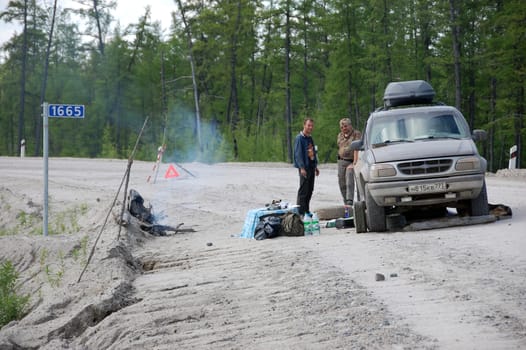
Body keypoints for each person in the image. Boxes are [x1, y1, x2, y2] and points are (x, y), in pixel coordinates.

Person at [293, 117, 320, 216]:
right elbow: (298, 154)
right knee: (303, 190)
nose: (310, 127)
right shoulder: (299, 138)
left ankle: (306, 210)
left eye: (312, 126)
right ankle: (300, 212)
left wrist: (315, 166)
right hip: (304, 168)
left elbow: (313, 152)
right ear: (304, 125)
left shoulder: (310, 138)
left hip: (311, 167)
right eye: (308, 125)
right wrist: (301, 167)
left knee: (310, 189)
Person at [337, 118, 361, 206]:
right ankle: (345, 202)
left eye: (345, 126)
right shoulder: (340, 135)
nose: (344, 128)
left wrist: (354, 162)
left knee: (349, 179)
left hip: (351, 161)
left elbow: (356, 149)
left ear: (350, 125)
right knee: (341, 182)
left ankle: (349, 201)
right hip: (341, 161)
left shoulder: (356, 134)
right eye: (342, 127)